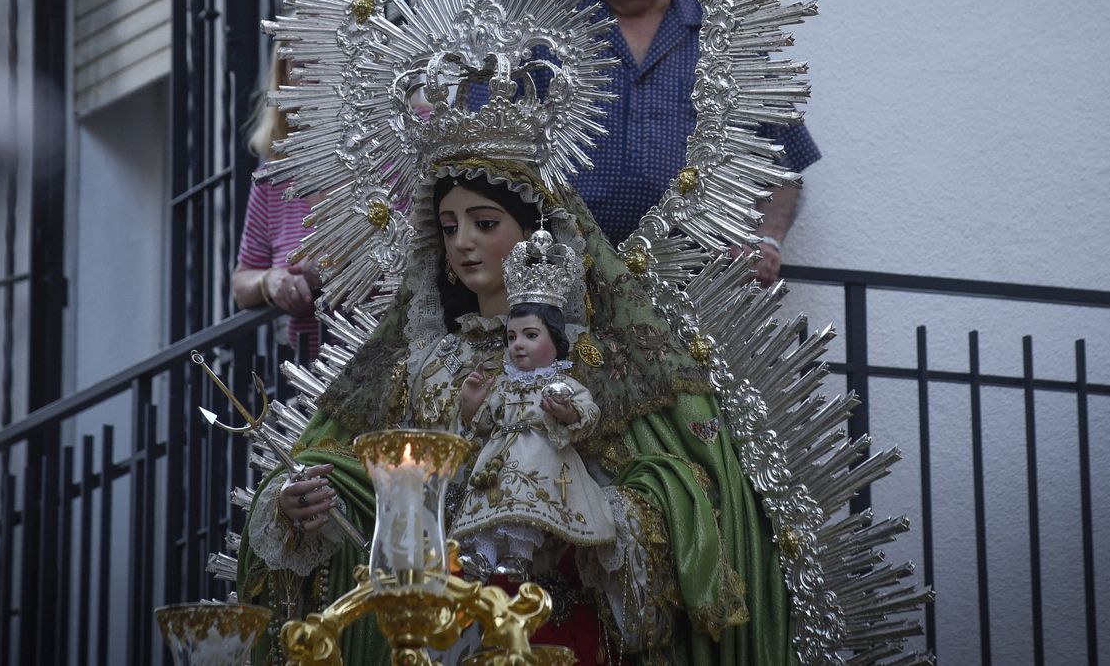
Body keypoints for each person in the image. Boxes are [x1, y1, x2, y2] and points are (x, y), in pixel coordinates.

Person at [237, 163, 796, 663]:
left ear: (534, 236)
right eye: (450, 226)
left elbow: (669, 485)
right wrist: (298, 501)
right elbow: (377, 486)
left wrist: (592, 518)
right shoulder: (424, 365)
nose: (463, 243)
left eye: (484, 223)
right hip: (442, 628)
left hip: (558, 626)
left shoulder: (592, 362)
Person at [574, 0, 823, 282]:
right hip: (563, 288)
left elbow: (785, 165)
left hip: (695, 292)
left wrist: (767, 239)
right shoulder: (544, 32)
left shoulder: (727, 38)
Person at [450, 268, 616, 581]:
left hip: (541, 460)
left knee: (523, 507)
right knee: (490, 505)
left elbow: (587, 412)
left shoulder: (561, 382)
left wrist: (566, 413)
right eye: (511, 337)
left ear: (555, 340)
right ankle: (483, 556)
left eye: (530, 335)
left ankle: (519, 556)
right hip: (498, 459)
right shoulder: (502, 384)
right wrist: (471, 406)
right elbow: (486, 423)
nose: (518, 345)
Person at [231, 52, 323, 361]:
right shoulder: (272, 179)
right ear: (283, 78)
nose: (307, 70)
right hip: (315, 379)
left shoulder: (395, 145)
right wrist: (270, 280)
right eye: (295, 60)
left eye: (318, 54)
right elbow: (241, 284)